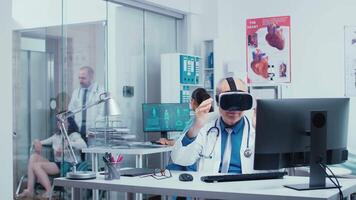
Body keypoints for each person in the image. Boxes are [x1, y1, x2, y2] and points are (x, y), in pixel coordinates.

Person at [171, 77, 258, 174]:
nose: (233, 109)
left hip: (245, 186)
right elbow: (180, 159)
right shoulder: (205, 127)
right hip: (211, 187)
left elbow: (273, 169)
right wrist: (196, 126)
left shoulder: (256, 129)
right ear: (217, 101)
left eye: (239, 100)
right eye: (227, 101)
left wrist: (262, 133)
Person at [17, 116, 87, 199]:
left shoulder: (74, 135)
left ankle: (49, 191)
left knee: (36, 166)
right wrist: (36, 142)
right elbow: (41, 142)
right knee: (33, 157)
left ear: (69, 123)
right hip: (56, 163)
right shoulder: (56, 136)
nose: (59, 123)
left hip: (68, 165)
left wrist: (68, 144)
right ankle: (30, 190)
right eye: (58, 121)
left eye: (62, 121)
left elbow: (84, 145)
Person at [68, 66, 105, 143]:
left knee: (92, 153)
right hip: (78, 133)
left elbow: (102, 114)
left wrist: (94, 130)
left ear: (91, 77)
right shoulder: (76, 92)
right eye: (79, 78)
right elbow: (70, 112)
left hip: (93, 133)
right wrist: (74, 130)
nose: (80, 81)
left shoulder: (101, 92)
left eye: (83, 78)